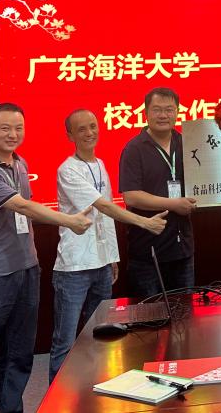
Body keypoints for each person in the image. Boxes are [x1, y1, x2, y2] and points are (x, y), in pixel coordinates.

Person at [0, 103, 94, 413]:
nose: (12, 134)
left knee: (20, 349)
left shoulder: (20, 164)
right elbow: (21, 206)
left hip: (26, 268)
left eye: (18, 128)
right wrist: (68, 220)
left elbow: (25, 212)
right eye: (5, 128)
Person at [48, 108, 169, 383]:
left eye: (93, 126)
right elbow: (102, 206)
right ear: (70, 135)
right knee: (65, 341)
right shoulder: (67, 169)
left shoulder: (101, 164)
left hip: (102, 265)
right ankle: (56, 400)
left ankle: (92, 390)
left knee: (100, 334)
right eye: (81, 129)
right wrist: (144, 222)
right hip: (75, 267)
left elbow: (106, 216)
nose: (89, 133)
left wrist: (112, 257)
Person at [120, 87, 197, 300]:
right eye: (157, 110)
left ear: (177, 112)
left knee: (185, 314)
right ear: (146, 112)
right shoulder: (134, 148)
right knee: (150, 316)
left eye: (169, 110)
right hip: (148, 252)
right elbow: (131, 196)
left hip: (182, 249)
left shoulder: (187, 144)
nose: (163, 115)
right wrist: (174, 204)